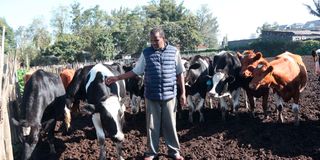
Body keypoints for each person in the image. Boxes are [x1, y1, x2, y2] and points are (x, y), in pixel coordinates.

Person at [106, 26, 186, 160]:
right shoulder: (146, 53)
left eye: (156, 40)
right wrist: (117, 78)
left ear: (163, 38)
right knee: (152, 126)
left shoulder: (174, 52)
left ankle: (174, 151)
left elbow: (180, 73)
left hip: (170, 95)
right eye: (151, 41)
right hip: (151, 95)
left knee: (170, 125)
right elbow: (136, 71)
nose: (154, 43)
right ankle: (152, 152)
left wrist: (183, 93)